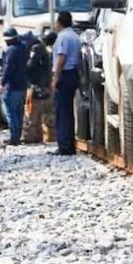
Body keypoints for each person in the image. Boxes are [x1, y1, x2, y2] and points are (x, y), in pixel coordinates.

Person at [50, 11, 81, 156]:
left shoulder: (63, 37)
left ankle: (64, 146)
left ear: (59, 22)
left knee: (61, 111)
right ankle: (69, 144)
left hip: (65, 73)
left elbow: (61, 57)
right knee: (68, 112)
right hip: (73, 73)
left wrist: (55, 78)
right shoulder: (75, 36)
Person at [24, 31, 56, 144]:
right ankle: (50, 137)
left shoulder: (36, 48)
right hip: (46, 85)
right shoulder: (47, 50)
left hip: (36, 86)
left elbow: (30, 66)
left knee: (32, 114)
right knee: (48, 114)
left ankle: (30, 137)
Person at [0, 27, 29, 146]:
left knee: (10, 112)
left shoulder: (11, 50)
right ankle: (18, 135)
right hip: (22, 85)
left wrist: (2, 83)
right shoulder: (24, 48)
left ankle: (14, 137)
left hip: (12, 86)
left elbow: (8, 68)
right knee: (19, 111)